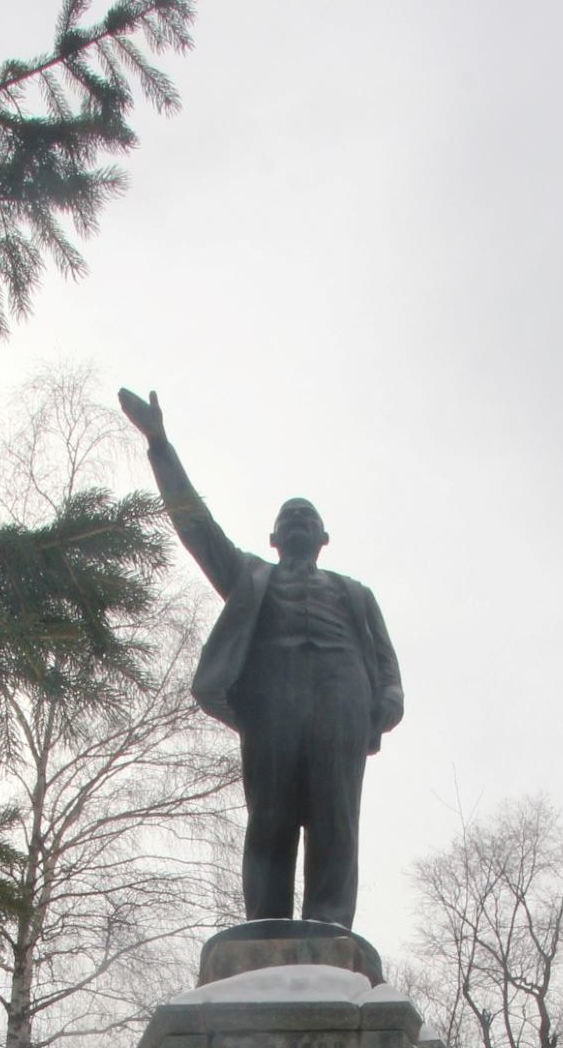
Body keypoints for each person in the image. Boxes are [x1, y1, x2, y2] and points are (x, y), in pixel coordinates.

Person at [118, 387, 402, 930]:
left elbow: (385, 663)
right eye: (288, 516)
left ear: (323, 537)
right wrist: (160, 445)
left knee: (336, 820)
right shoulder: (250, 577)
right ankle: (265, 933)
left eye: (307, 516)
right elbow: (196, 528)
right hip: (271, 698)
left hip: (343, 697)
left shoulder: (355, 594)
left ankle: (330, 933)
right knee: (269, 818)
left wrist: (389, 697)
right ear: (273, 537)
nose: (297, 519)